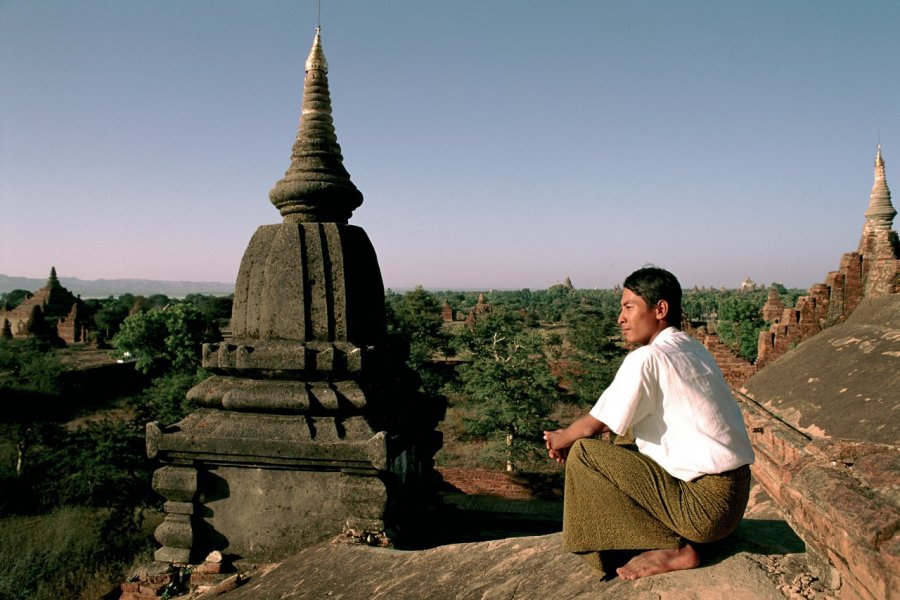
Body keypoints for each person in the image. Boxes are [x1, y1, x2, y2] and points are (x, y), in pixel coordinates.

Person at [543, 266, 755, 580]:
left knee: (585, 454)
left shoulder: (648, 358)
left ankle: (675, 546)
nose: (620, 318)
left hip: (703, 509)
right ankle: (674, 538)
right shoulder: (694, 348)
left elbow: (593, 425)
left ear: (660, 309)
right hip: (731, 503)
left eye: (628, 307)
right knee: (624, 438)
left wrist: (561, 438)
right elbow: (614, 422)